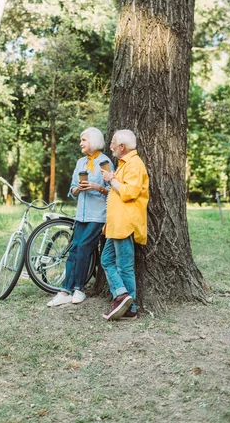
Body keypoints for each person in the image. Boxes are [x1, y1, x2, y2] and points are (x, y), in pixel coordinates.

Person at [47, 127, 114, 307]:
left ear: (93, 141)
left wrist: (96, 187)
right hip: (81, 215)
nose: (80, 143)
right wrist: (77, 189)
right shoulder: (80, 162)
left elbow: (114, 191)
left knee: (84, 247)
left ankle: (79, 289)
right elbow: (72, 189)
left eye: (83, 139)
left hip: (98, 216)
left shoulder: (105, 162)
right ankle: (64, 291)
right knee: (74, 249)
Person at [100, 129, 149, 321]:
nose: (110, 146)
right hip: (116, 224)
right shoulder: (124, 164)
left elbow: (129, 192)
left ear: (122, 147)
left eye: (113, 142)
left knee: (125, 266)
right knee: (106, 260)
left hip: (125, 222)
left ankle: (131, 308)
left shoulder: (135, 164)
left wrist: (111, 179)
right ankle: (121, 294)